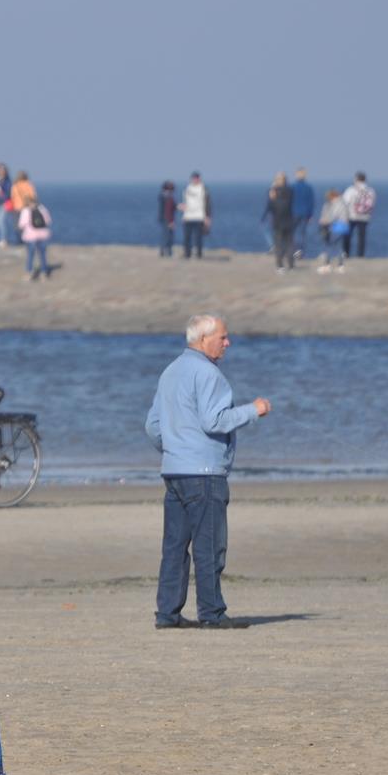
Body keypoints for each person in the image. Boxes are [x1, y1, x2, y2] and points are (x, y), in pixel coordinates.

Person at [145, 315, 271, 630]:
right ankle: (211, 613)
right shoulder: (208, 373)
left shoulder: (171, 370)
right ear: (203, 340)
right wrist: (253, 410)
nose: (228, 343)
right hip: (203, 474)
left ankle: (167, 613)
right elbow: (215, 421)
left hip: (176, 472)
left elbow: (153, 427)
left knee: (174, 546)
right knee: (209, 545)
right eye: (223, 337)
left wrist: (175, 450)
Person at [264, 173, 296, 271]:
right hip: (289, 220)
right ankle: (291, 264)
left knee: (278, 244)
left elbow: (270, 207)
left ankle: (280, 265)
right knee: (289, 244)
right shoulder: (290, 191)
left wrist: (271, 197)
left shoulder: (274, 191)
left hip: (278, 222)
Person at [18, 194, 53, 280]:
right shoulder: (42, 209)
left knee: (30, 254)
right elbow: (48, 221)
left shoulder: (26, 211)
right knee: (42, 254)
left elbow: (21, 224)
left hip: (30, 236)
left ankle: (29, 272)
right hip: (43, 234)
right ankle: (44, 272)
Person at [343, 172, 375, 258]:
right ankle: (360, 255)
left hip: (351, 216)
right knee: (362, 237)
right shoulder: (370, 190)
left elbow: (345, 202)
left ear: (356, 179)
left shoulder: (351, 190)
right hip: (365, 216)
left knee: (347, 235)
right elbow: (372, 203)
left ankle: (346, 253)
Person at [316, 189, 350, 273]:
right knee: (337, 246)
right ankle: (340, 265)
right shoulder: (342, 203)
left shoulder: (337, 204)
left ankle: (327, 265)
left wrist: (325, 221)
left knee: (329, 244)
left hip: (337, 227)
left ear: (332, 196)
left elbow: (334, 216)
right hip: (342, 227)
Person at [180, 172, 212, 259]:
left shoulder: (204, 189)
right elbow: (185, 202)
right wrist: (183, 211)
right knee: (187, 237)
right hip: (187, 217)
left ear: (199, 179)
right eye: (193, 178)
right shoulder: (187, 188)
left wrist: (208, 217)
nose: (195, 180)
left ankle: (199, 254)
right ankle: (187, 254)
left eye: (196, 178)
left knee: (198, 237)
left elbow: (208, 204)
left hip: (199, 217)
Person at [290, 168, 315, 260]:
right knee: (302, 234)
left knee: (292, 233)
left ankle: (294, 251)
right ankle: (300, 252)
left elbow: (289, 201)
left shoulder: (292, 187)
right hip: (305, 213)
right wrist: (310, 215)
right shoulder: (308, 187)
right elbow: (311, 202)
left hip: (293, 213)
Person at [0, 163, 14, 247]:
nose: (0, 171)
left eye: (2, 170)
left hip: (4, 204)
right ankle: (0, 239)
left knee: (0, 221)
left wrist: (0, 192)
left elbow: (8, 194)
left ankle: (3, 240)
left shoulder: (7, 181)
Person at [158, 181, 178, 256]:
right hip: (167, 219)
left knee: (166, 235)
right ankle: (166, 251)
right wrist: (170, 221)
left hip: (165, 218)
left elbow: (170, 207)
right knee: (167, 236)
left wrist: (176, 206)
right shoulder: (167, 197)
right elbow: (167, 210)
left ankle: (165, 251)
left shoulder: (163, 196)